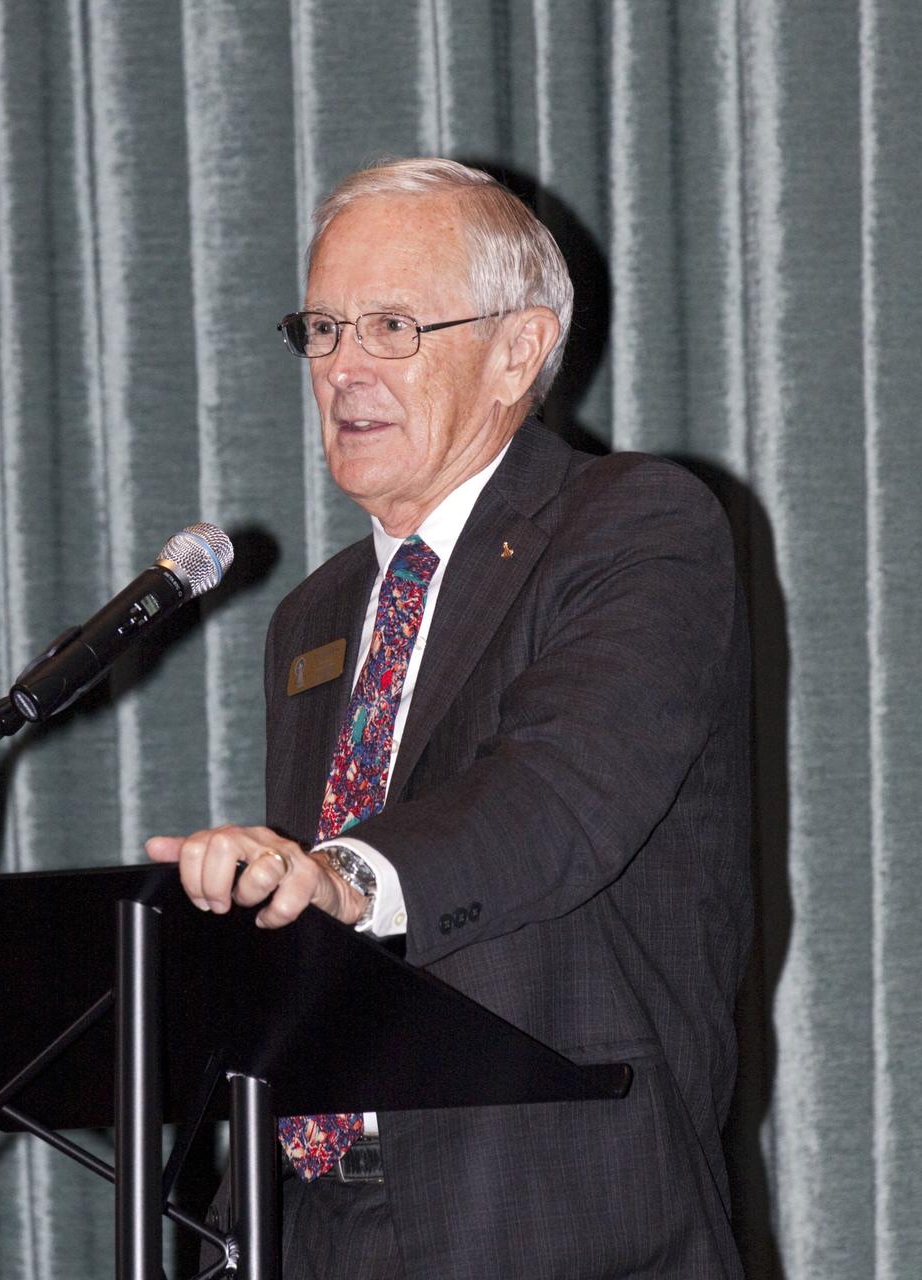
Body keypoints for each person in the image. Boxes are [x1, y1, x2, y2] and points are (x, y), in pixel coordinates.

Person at [148, 157, 752, 1279]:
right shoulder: (316, 614)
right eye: (321, 329)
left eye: (390, 324)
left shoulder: (634, 528)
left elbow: (558, 799)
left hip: (547, 1215)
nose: (343, 368)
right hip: (306, 1223)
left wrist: (343, 878)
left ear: (517, 349)